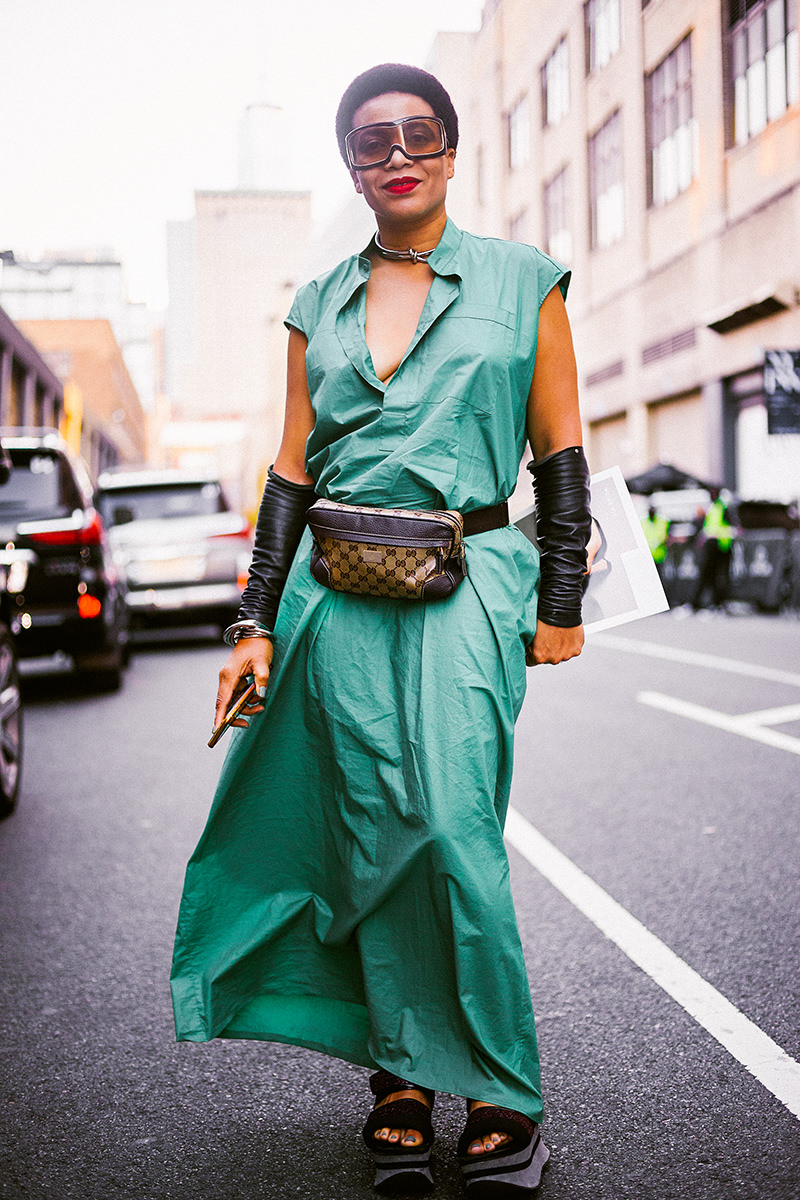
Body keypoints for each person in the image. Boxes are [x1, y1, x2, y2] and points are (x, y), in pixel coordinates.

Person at [170, 63, 591, 1198]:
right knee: (363, 829)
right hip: (332, 589)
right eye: (369, 142)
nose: (394, 153)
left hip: (468, 580)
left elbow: (558, 452)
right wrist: (253, 620)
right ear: (350, 166)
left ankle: (502, 1089)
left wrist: (559, 602)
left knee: (451, 826)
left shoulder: (522, 283)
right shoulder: (316, 303)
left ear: (450, 152)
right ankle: (398, 1080)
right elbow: (291, 468)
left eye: (417, 134)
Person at [692, 488, 733, 610]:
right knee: (708, 575)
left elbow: (729, 527)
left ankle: (718, 603)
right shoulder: (712, 508)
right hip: (711, 545)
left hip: (720, 545)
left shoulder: (723, 508)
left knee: (718, 576)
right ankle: (705, 603)